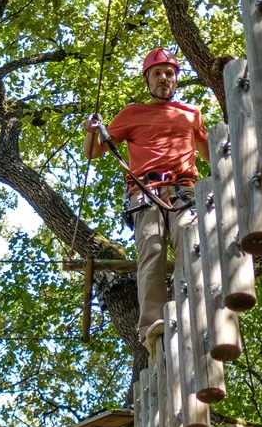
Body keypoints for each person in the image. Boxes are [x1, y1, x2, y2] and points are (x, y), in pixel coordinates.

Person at [83, 48, 209, 340]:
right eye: (157, 73)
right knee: (151, 253)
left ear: (176, 80)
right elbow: (94, 152)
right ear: (148, 80)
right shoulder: (132, 113)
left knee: (192, 246)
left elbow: (211, 155)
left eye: (169, 74)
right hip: (146, 192)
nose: (164, 78)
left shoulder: (191, 114)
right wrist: (91, 130)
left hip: (184, 191)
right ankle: (152, 327)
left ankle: (191, 311)